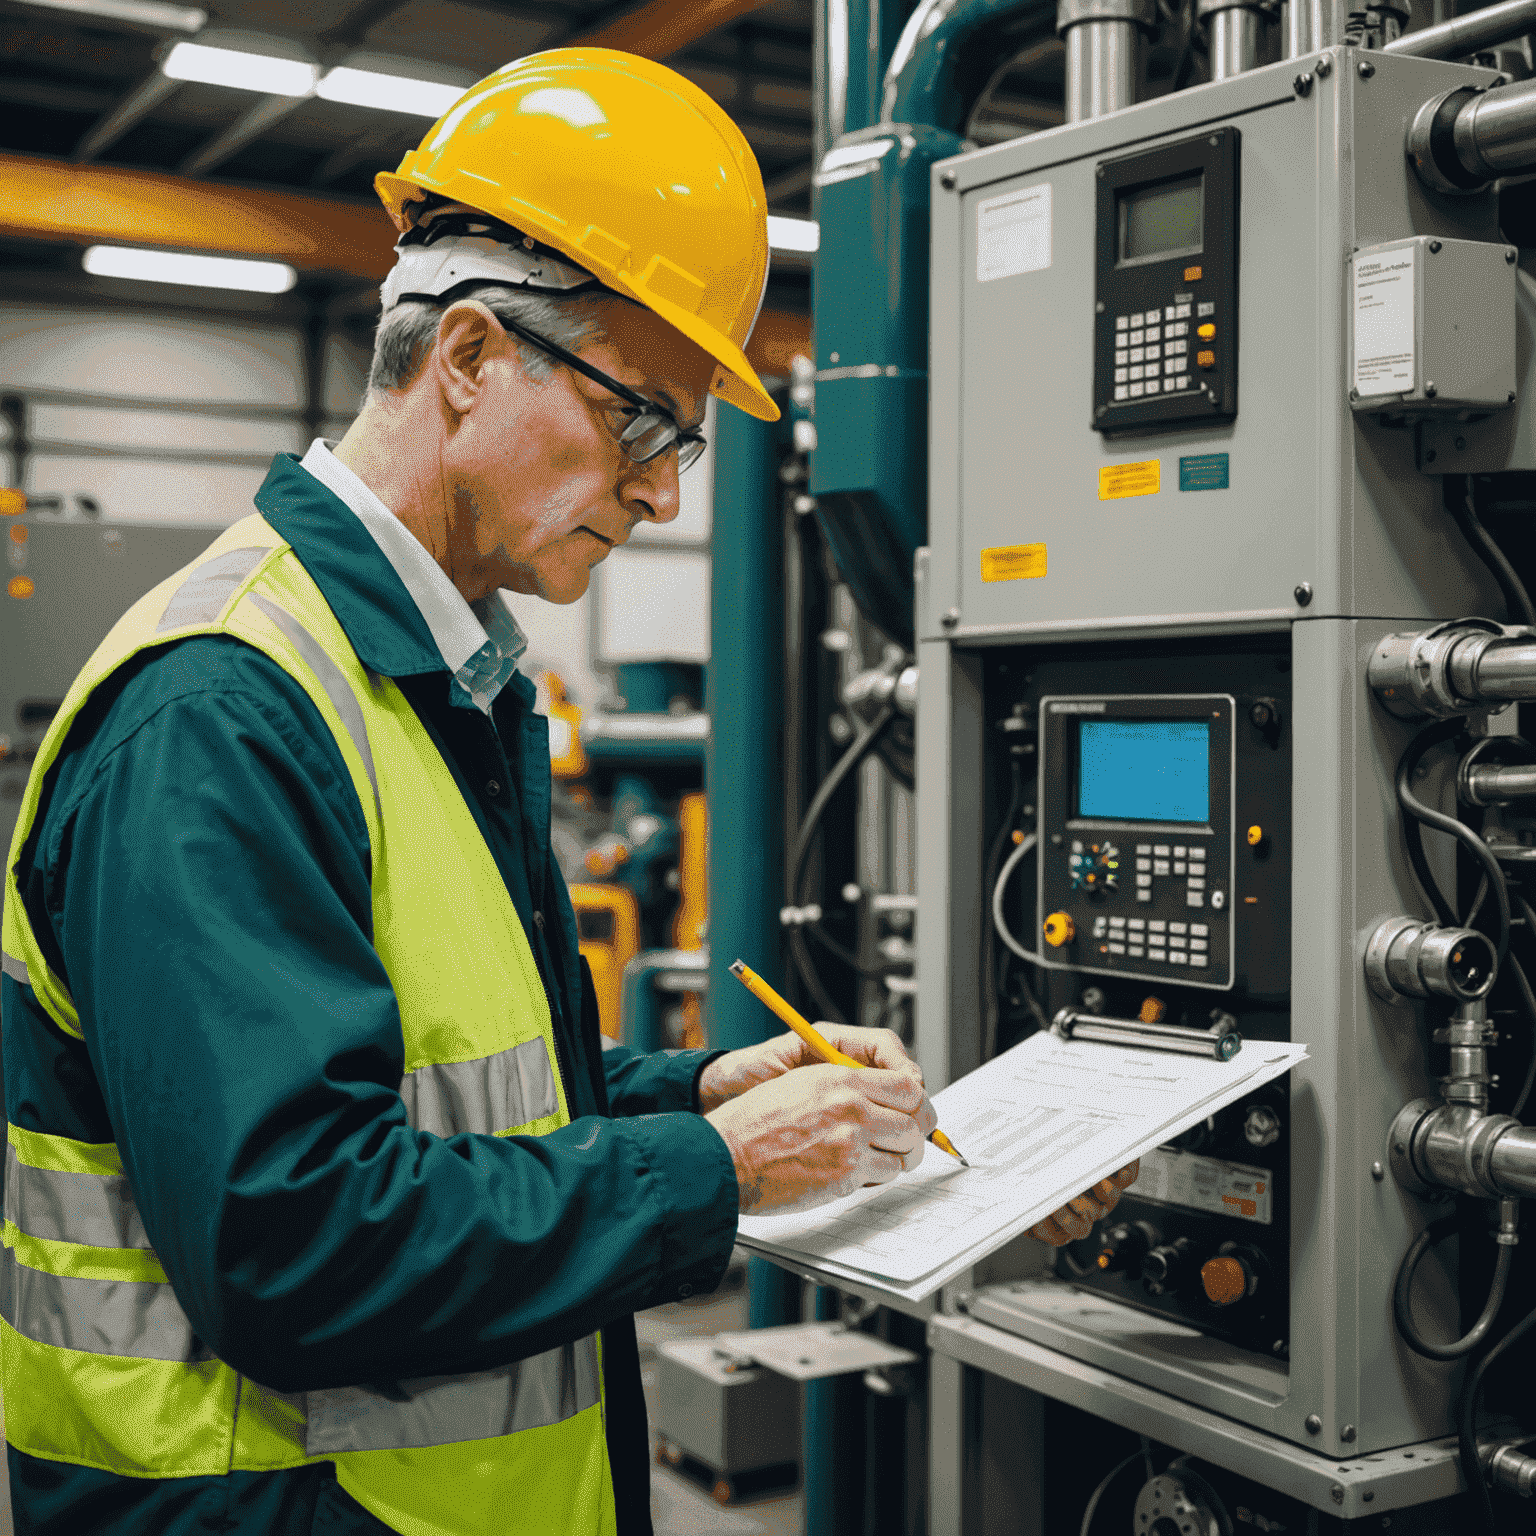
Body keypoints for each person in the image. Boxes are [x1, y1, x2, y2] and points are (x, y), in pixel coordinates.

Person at [0, 47, 1134, 1536]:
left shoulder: (427, 675)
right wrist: (711, 1172)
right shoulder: (225, 709)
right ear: (469, 357)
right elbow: (294, 1244)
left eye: (688, 442)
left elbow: (442, 1098)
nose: (666, 490)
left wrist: (693, 1091)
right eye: (643, 420)